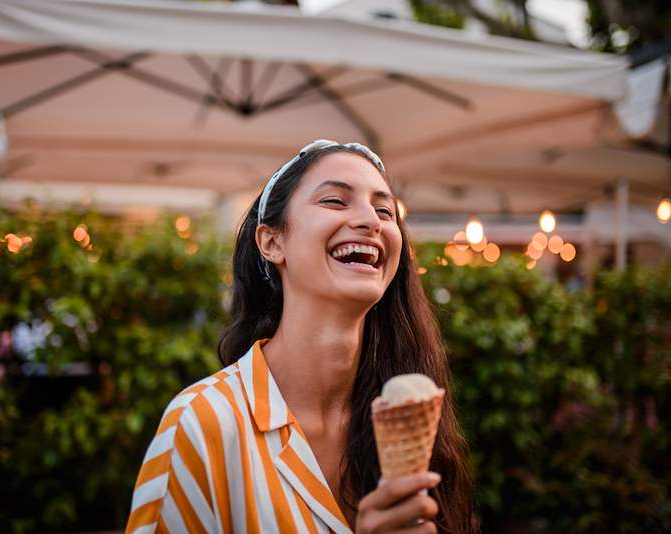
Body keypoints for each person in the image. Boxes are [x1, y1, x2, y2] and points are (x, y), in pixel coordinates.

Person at [125, 140, 475, 533]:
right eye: (334, 201)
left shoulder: (409, 413)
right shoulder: (201, 424)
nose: (371, 221)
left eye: (385, 210)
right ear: (272, 242)